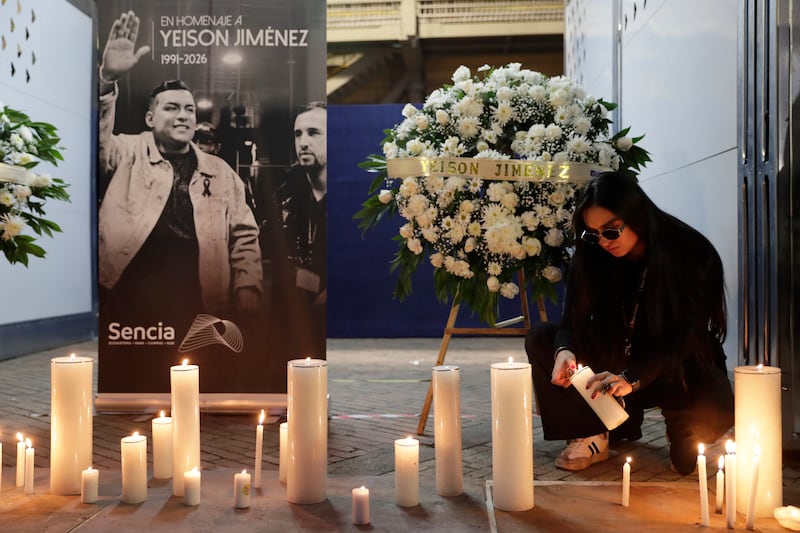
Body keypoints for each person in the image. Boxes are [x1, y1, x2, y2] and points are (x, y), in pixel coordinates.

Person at [525, 171, 734, 475]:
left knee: (688, 460)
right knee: (542, 339)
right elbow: (571, 321)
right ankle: (592, 430)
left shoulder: (689, 251)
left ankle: (682, 419)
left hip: (676, 366)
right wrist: (564, 351)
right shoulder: (592, 252)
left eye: (611, 231)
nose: (602, 242)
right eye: (592, 234)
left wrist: (632, 377)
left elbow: (686, 337)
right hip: (614, 364)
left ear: (635, 214)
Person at [97, 10, 262, 327]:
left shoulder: (221, 172)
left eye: (189, 109)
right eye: (171, 108)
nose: (184, 116)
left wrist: (248, 287)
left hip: (200, 300)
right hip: (127, 298)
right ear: (150, 118)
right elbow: (98, 141)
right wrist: (107, 80)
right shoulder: (125, 151)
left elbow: (244, 234)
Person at [261, 101, 327, 358]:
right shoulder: (284, 192)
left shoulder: (349, 195)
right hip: (287, 314)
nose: (303, 142)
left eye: (313, 133)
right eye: (298, 134)